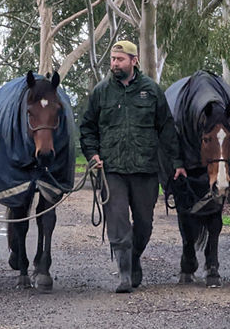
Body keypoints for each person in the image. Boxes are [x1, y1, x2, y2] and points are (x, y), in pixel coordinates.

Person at [80, 40, 186, 293]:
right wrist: (93, 155)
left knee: (144, 224)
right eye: (113, 60)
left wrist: (177, 163)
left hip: (145, 170)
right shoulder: (101, 92)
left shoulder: (151, 91)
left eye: (120, 59)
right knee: (118, 223)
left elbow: (167, 129)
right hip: (112, 170)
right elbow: (87, 128)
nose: (114, 64)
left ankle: (134, 257)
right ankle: (125, 274)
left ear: (133, 60)